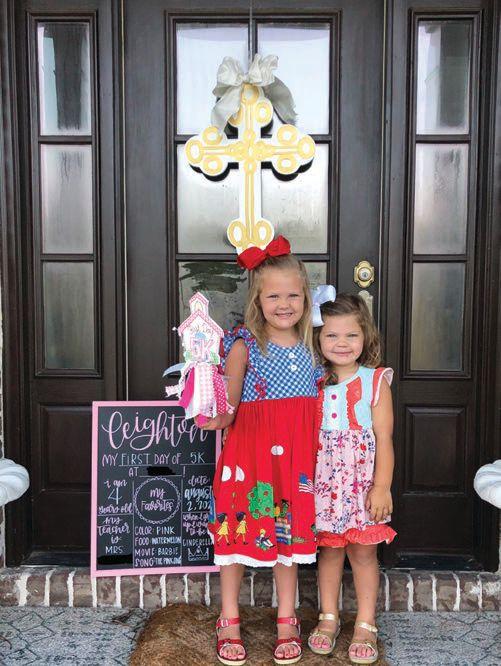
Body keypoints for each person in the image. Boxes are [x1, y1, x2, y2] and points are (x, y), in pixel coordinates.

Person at [203, 236, 318, 665]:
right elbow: (230, 405)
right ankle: (228, 617)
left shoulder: (315, 346)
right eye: (274, 296)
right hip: (250, 459)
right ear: (258, 299)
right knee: (237, 531)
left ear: (305, 298)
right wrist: (214, 416)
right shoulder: (244, 345)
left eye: (293, 296)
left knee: (287, 535)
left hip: (295, 462)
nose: (284, 304)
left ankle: (287, 618)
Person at [307, 293, 396, 665]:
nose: (341, 343)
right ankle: (329, 616)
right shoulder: (312, 381)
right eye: (331, 335)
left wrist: (382, 487)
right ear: (318, 339)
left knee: (363, 551)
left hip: (361, 485)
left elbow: (384, 438)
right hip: (324, 484)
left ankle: (365, 622)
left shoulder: (375, 381)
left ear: (365, 337)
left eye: (351, 335)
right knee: (329, 551)